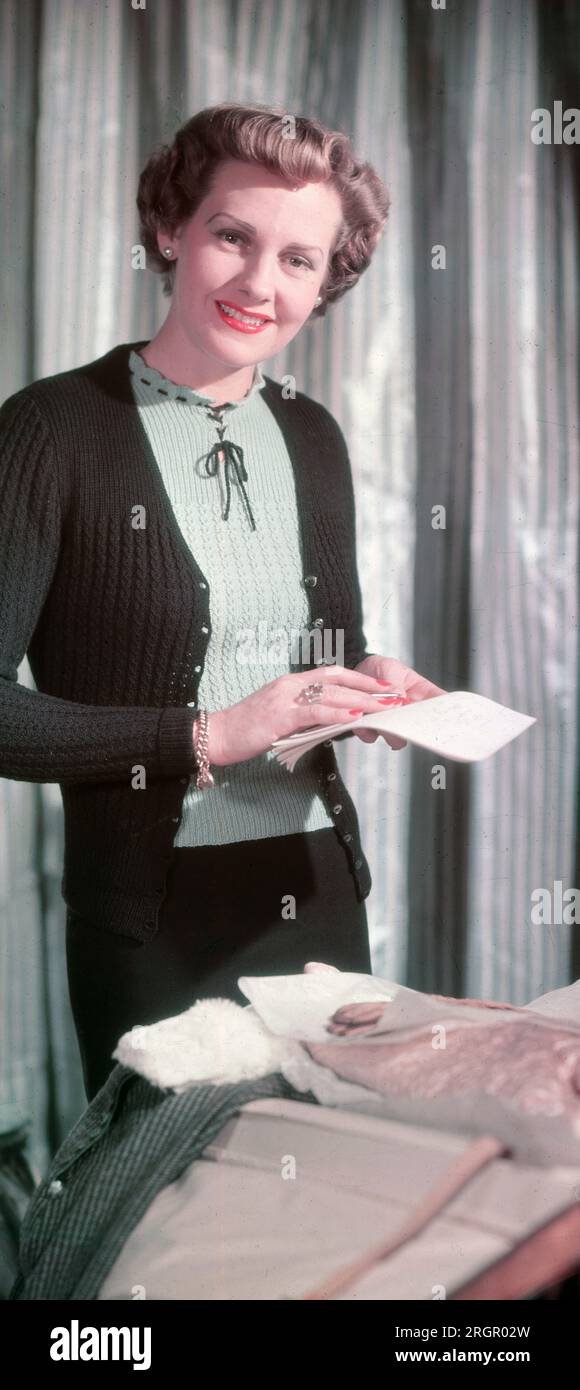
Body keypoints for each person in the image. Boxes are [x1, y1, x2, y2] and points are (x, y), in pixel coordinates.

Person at [0, 102, 444, 1101]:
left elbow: (325, 643)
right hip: (151, 916)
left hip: (316, 893)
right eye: (231, 237)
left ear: (326, 281)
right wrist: (210, 734)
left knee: (328, 1213)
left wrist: (367, 679)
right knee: (173, 1234)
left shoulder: (314, 435)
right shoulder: (51, 431)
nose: (258, 283)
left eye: (298, 259)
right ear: (170, 228)